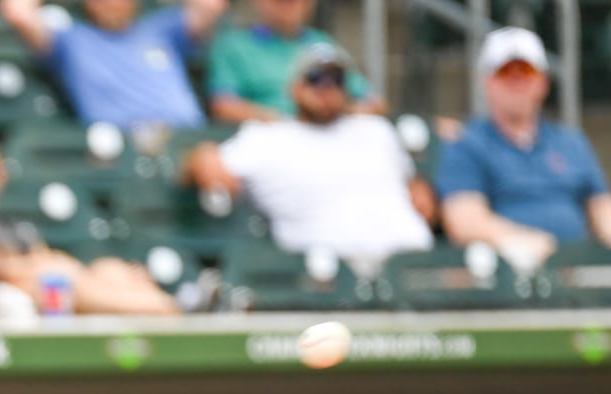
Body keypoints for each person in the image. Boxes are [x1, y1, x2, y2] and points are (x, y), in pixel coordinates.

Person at [184, 42, 435, 278]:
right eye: (315, 78)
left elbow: (413, 187)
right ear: (294, 87)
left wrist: (419, 190)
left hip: (411, 263)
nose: (326, 88)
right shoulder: (268, 137)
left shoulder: (375, 130)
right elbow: (197, 162)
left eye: (336, 79)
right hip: (323, 274)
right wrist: (203, 157)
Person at [436, 27, 611, 273]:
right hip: (507, 273)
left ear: (542, 82)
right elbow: (464, 219)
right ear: (487, 82)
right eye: (505, 72)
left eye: (526, 72)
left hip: (577, 268)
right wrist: (520, 240)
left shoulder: (570, 142)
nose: (516, 81)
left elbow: (604, 205)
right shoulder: (468, 143)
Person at [0, 134, 180, 315]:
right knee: (51, 281)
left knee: (109, 268)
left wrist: (48, 266)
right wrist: (33, 266)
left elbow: (46, 261)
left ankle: (152, 304)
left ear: (0, 175)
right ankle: (158, 307)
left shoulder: (15, 228)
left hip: (41, 303)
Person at [0, 0, 225, 130]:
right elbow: (18, 13)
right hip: (124, 145)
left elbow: (211, 5)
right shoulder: (72, 41)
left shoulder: (161, 29)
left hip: (187, 136)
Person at [206, 0, 384, 123]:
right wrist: (287, 122)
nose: (288, 5)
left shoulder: (323, 43)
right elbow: (223, 106)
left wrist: (337, 112)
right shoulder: (234, 46)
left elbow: (373, 101)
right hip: (269, 142)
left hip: (329, 138)